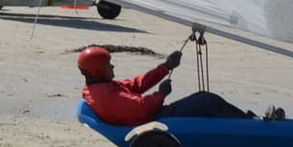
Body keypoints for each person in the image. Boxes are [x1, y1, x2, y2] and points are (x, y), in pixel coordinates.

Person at [77, 46, 278, 125]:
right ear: (98, 71)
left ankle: (249, 120)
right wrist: (161, 94)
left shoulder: (99, 87)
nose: (112, 65)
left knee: (204, 100)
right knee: (206, 100)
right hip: (153, 120)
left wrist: (165, 67)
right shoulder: (105, 94)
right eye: (108, 64)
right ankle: (254, 124)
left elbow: (136, 85)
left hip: (152, 115)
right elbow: (140, 108)